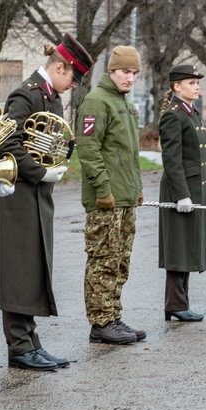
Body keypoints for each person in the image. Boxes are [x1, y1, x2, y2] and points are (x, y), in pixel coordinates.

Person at [0, 34, 92, 370]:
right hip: (18, 195)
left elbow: (48, 141)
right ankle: (19, 346)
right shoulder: (26, 94)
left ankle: (30, 340)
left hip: (37, 197)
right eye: (72, 78)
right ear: (60, 67)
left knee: (33, 269)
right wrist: (40, 173)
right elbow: (9, 145)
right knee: (18, 271)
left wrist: (54, 164)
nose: (72, 86)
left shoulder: (49, 96)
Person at [76, 45, 145, 345]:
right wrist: (102, 189)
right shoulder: (96, 101)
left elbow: (129, 154)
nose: (130, 78)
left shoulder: (125, 104)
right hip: (107, 200)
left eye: (134, 73)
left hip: (125, 198)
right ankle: (101, 322)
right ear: (111, 71)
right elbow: (89, 150)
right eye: (125, 72)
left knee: (120, 261)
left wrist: (137, 188)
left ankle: (114, 315)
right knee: (103, 259)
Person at [157, 64, 206, 322]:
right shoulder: (174, 115)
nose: (196, 86)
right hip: (181, 190)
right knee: (179, 246)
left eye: (197, 82)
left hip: (193, 189)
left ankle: (179, 303)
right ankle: (176, 304)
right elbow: (171, 158)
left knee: (187, 244)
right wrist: (181, 194)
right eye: (191, 82)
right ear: (177, 87)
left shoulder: (190, 112)